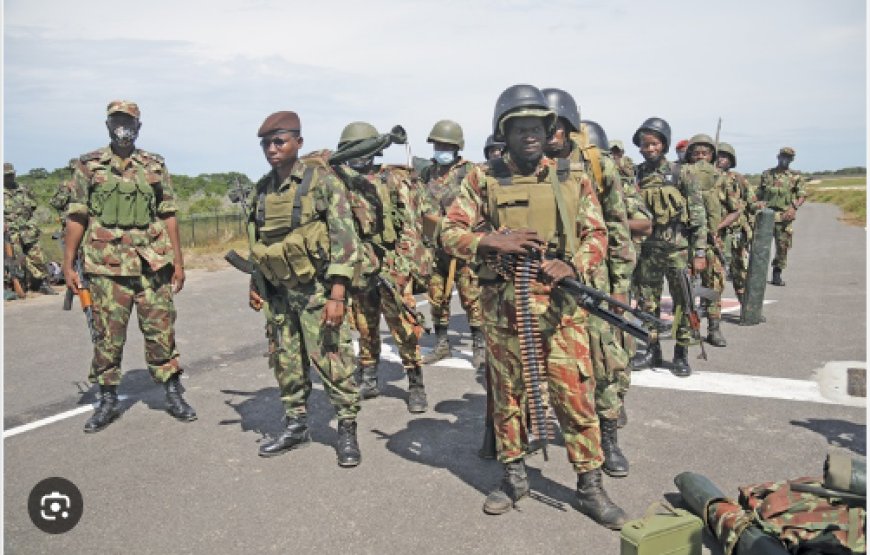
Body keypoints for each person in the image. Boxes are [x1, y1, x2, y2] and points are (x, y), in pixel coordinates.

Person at [440, 84, 627, 529]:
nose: (529, 135)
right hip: (505, 311)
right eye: (519, 128)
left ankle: (590, 486)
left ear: (549, 132)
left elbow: (598, 234)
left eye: (537, 128)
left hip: (561, 311)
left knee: (574, 396)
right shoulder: (481, 178)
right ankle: (514, 477)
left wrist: (572, 264)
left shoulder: (572, 177)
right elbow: (448, 233)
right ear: (504, 133)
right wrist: (490, 241)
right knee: (508, 399)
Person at [62, 100, 195, 433]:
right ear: (108, 125)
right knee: (107, 336)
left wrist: (178, 262)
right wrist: (68, 264)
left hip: (152, 263)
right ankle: (107, 399)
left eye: (129, 121)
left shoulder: (154, 164)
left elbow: (168, 213)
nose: (123, 126)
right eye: (117, 120)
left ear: (138, 126)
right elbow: (77, 215)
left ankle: (172, 391)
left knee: (161, 330)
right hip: (105, 266)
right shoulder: (88, 165)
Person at [247, 111, 362, 467]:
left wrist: (337, 294)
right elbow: (257, 241)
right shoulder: (261, 190)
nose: (272, 149)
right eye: (266, 144)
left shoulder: (322, 182)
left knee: (332, 358)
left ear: (298, 142)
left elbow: (345, 240)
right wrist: (255, 283)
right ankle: (296, 425)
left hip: (317, 291)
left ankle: (347, 429)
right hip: (279, 293)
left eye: (279, 141)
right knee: (286, 362)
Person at [542, 89, 634, 479]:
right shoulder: (529, 165)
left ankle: (608, 437)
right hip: (545, 282)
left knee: (605, 359)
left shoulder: (597, 165)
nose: (550, 135)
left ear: (569, 126)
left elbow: (617, 226)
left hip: (592, 280)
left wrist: (620, 285)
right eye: (544, 127)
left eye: (556, 126)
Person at [335, 121, 428, 413]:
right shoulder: (341, 183)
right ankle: (369, 378)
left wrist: (402, 265)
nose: (357, 158)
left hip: (391, 263)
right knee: (364, 324)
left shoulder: (392, 179)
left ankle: (416, 384)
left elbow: (411, 225)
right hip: (360, 265)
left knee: (403, 325)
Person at [629, 118, 707, 377]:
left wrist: (699, 252)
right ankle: (652, 350)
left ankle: (681, 353)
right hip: (648, 252)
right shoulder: (636, 174)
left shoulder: (682, 173)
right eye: (644, 144)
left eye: (654, 143)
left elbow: (698, 215)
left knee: (683, 302)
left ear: (664, 144)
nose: (649, 148)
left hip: (678, 251)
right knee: (646, 302)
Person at [419, 120, 485, 370]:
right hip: (435, 247)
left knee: (471, 296)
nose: (441, 149)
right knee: (437, 296)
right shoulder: (428, 173)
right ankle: (441, 343)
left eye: (446, 145)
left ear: (457, 147)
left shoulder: (470, 171)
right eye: (437, 145)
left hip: (463, 246)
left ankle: (479, 346)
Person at [684, 134, 742, 347]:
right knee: (686, 287)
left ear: (712, 156)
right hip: (687, 242)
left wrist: (718, 227)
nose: (701, 157)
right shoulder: (682, 176)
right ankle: (689, 328)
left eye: (705, 153)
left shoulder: (722, 180)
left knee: (713, 287)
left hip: (714, 243)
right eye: (696, 153)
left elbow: (736, 210)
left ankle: (714, 328)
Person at [752, 147, 806, 286]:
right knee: (760, 246)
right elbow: (759, 193)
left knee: (783, 247)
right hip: (766, 215)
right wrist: (755, 204)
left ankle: (777, 273)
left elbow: (801, 195)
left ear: (791, 160)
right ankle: (757, 274)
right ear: (778, 157)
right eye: (783, 156)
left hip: (784, 216)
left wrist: (794, 208)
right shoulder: (767, 174)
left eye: (788, 157)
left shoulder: (796, 176)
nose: (784, 159)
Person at [4, 163, 57, 296]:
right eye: (6, 176)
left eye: (10, 175)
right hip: (11, 233)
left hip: (28, 230)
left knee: (37, 256)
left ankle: (42, 283)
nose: (9, 178)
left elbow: (33, 208)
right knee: (16, 260)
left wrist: (33, 225)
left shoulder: (24, 190)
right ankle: (19, 285)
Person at [716, 143, 755, 302]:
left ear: (731, 160)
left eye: (725, 157)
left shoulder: (738, 179)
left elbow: (751, 202)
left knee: (740, 272)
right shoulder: (708, 178)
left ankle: (746, 306)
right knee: (714, 275)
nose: (720, 159)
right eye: (718, 156)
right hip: (714, 235)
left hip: (735, 235)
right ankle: (711, 309)